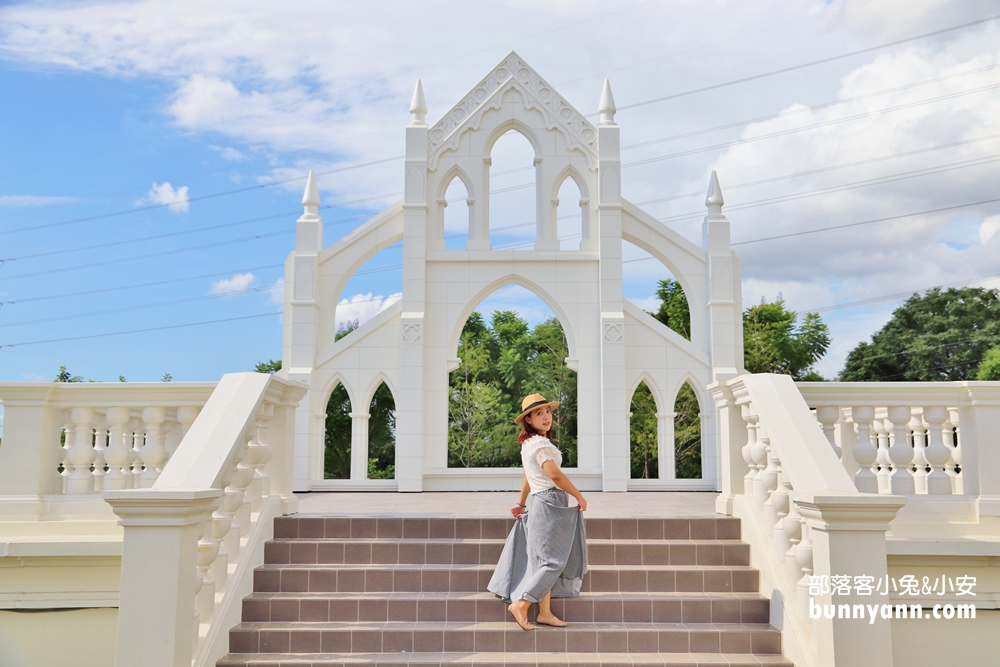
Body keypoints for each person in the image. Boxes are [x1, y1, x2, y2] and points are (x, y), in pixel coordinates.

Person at [487, 393, 589, 631]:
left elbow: (527, 476)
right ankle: (521, 604)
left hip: (539, 501)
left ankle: (544, 612)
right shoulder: (540, 444)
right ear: (528, 420)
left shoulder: (529, 443)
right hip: (550, 500)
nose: (546, 417)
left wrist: (521, 503)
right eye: (539, 413)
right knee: (553, 561)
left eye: (548, 411)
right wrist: (579, 495)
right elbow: (554, 475)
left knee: (545, 559)